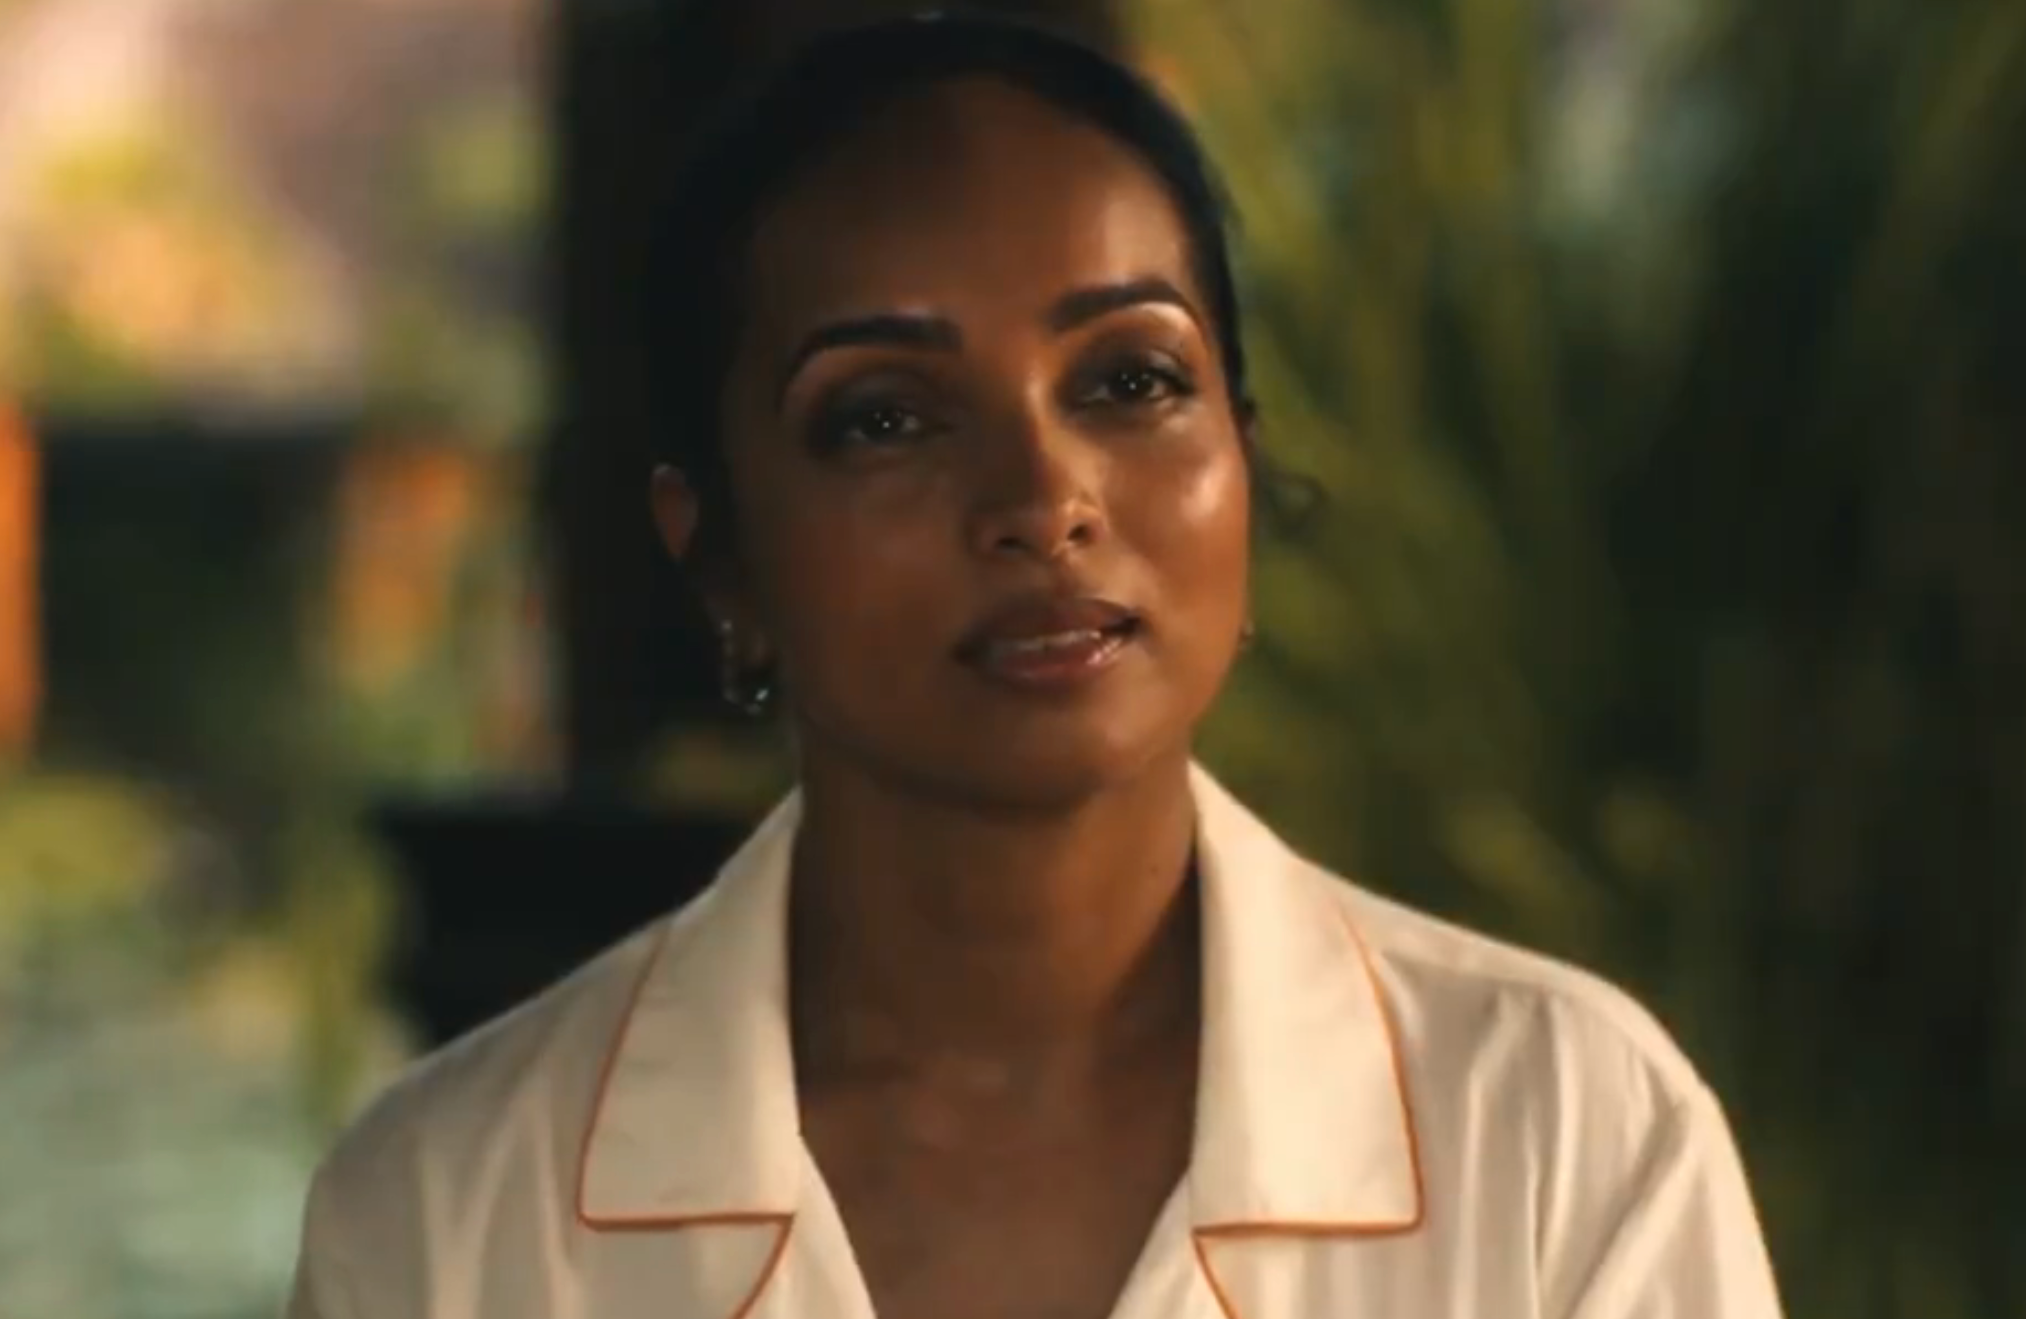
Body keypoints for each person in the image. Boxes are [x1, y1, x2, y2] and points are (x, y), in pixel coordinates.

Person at [285, 14, 1785, 1319]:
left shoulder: (1566, 1138)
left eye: (1130, 379)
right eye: (884, 415)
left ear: (1241, 471)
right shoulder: (451, 1212)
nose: (1041, 494)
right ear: (720, 554)